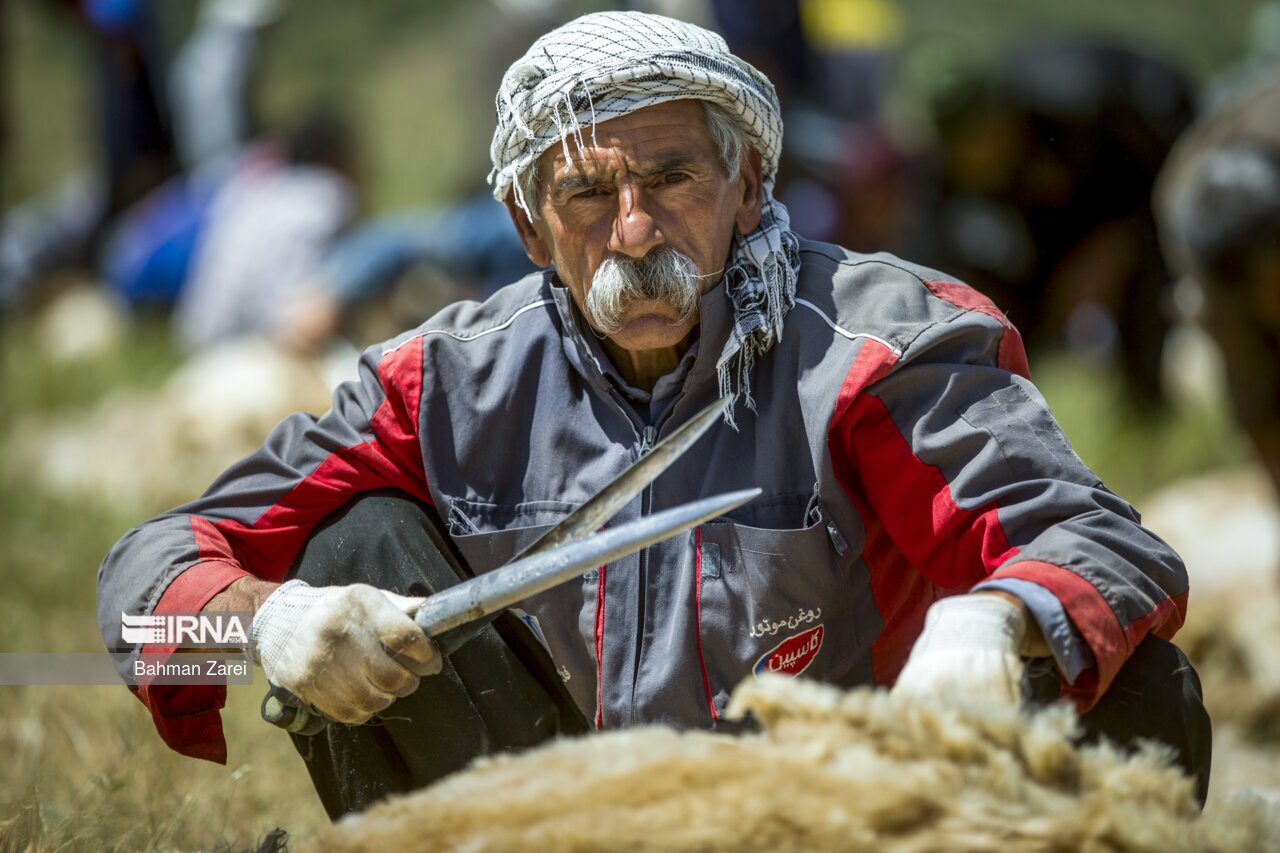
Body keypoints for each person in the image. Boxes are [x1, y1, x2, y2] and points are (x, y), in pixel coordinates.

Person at [98, 11, 1209, 820]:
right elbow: (147, 591)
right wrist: (264, 623)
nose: (632, 231)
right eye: (587, 194)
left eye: (673, 179)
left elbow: (1101, 545)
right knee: (354, 545)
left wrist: (994, 622)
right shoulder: (442, 383)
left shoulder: (878, 349)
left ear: (749, 186)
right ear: (528, 227)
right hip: (554, 822)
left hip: (844, 813)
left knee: (1132, 696)